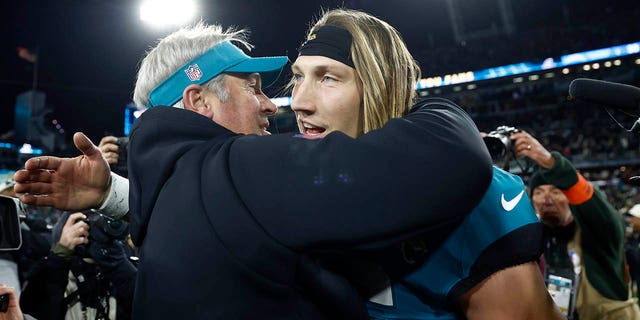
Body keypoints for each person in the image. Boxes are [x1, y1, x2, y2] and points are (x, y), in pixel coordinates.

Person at [14, 21, 493, 319]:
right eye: (252, 87)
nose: (273, 105)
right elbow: (449, 157)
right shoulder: (241, 169)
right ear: (198, 100)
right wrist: (423, 106)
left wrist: (114, 194)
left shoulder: (172, 185)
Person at [292, 9, 561, 320]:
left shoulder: (467, 195)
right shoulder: (312, 186)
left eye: (328, 78)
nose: (300, 101)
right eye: (299, 76)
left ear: (379, 85)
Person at [511, 130, 640, 319]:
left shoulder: (595, 231)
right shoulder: (533, 240)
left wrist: (554, 165)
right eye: (539, 192)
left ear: (570, 197)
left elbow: (606, 220)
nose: (546, 199)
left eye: (556, 191)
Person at [19, 211, 136, 319]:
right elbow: (37, 312)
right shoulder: (52, 269)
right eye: (87, 226)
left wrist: (116, 264)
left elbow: (147, 305)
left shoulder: (123, 262)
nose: (93, 233)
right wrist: (60, 256)